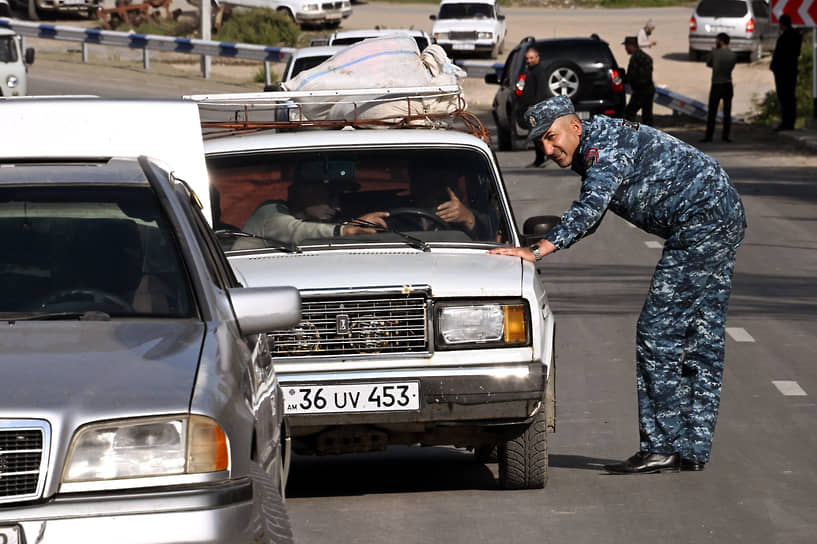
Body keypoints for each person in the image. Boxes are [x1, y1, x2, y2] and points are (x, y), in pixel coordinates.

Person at [489, 96, 746, 474]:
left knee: (657, 331)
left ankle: (662, 445)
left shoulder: (602, 149)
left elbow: (591, 209)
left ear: (575, 127)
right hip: (719, 214)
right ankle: (690, 447)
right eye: (539, 142)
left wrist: (539, 248)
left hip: (702, 223)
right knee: (700, 335)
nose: (547, 148)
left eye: (552, 136)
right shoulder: (596, 140)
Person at [243, 179, 389, 245]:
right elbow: (296, 231)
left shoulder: (328, 221)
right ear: (306, 192)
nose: (337, 207)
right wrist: (347, 230)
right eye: (330, 196)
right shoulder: (270, 211)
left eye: (339, 198)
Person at [702, 33, 737, 143]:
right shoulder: (733, 55)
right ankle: (725, 136)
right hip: (728, 83)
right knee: (727, 112)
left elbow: (708, 63)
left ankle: (709, 136)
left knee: (712, 111)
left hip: (717, 84)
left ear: (721, 41)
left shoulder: (715, 53)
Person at [770, 13, 802, 131]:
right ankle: (789, 122)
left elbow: (780, 55)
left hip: (784, 71)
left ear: (782, 24)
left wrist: (775, 67)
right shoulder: (796, 36)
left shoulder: (785, 37)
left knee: (785, 97)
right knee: (789, 97)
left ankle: (787, 122)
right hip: (790, 70)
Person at [519, 46, 550, 167]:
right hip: (531, 107)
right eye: (527, 58)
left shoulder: (539, 71)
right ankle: (540, 158)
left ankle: (541, 158)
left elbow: (541, 91)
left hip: (537, 108)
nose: (529, 61)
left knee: (538, 134)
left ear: (537, 58)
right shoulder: (530, 70)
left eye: (531, 58)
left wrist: (534, 106)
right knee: (535, 134)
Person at [623, 36, 655, 126]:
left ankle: (629, 134)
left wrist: (625, 80)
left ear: (631, 46)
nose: (626, 48)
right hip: (647, 90)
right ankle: (648, 135)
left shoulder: (637, 58)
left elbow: (635, 76)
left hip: (641, 91)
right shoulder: (642, 57)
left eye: (626, 46)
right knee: (647, 116)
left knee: (629, 114)